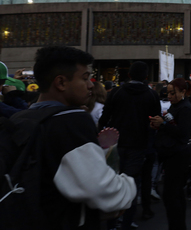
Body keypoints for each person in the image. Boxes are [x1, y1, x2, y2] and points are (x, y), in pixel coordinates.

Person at [5, 46, 136, 228]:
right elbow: (102, 190)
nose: (91, 84)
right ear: (61, 83)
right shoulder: (71, 120)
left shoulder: (19, 117)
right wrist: (128, 186)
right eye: (84, 78)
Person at [98, 61, 161, 229]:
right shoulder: (151, 95)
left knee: (114, 182)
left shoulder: (117, 92)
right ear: (146, 77)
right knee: (131, 184)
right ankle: (127, 222)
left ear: (129, 75)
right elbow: (155, 122)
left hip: (115, 145)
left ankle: (112, 223)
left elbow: (104, 117)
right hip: (139, 146)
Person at [150, 77, 191, 230]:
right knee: (175, 194)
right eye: (168, 93)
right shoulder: (176, 106)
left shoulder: (185, 109)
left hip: (178, 155)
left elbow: (182, 134)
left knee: (171, 194)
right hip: (172, 154)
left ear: (183, 92)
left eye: (172, 93)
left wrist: (162, 125)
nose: (168, 96)